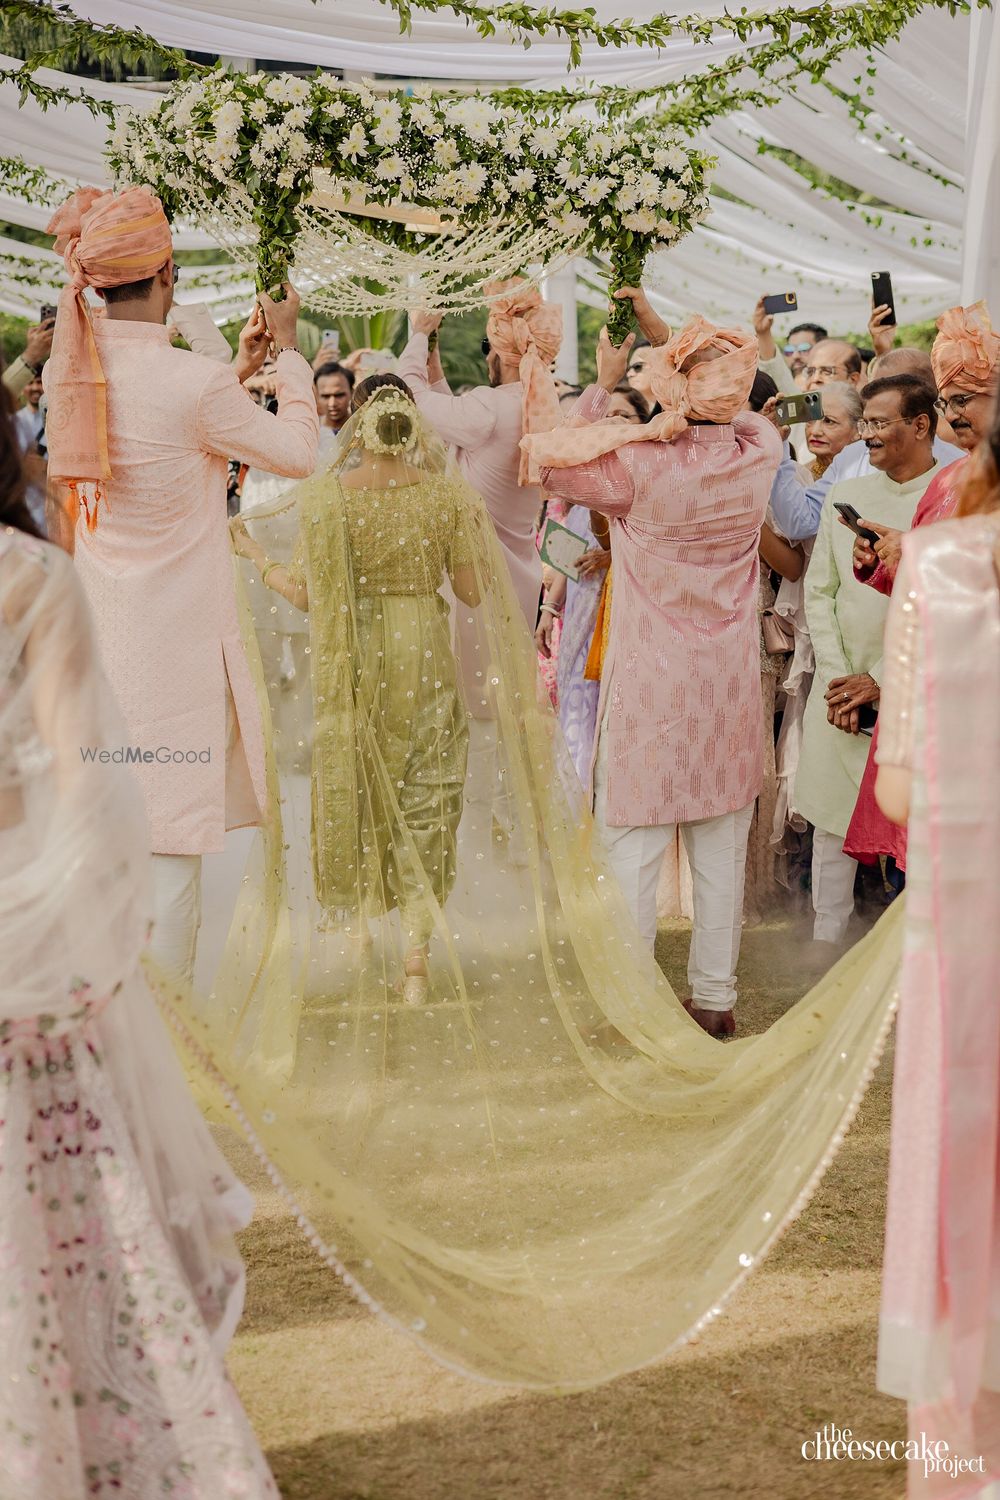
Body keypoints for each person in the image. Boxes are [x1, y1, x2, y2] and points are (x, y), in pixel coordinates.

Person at [0, 387, 277, 1497]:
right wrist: (94, 930)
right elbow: (85, 786)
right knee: (55, 1211)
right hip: (18, 942)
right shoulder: (30, 580)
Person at [41, 185, 319, 985]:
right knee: (169, 858)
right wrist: (290, 354)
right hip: (176, 667)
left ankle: (114, 1044)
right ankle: (169, 1061)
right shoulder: (194, 387)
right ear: (167, 273)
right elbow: (299, 451)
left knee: (109, 853)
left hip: (97, 655)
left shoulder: (75, 377)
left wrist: (232, 372)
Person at [526, 289, 782, 1038]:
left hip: (650, 686)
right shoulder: (760, 451)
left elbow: (547, 463)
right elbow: (734, 405)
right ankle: (714, 1000)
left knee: (631, 847)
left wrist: (605, 381)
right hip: (726, 685)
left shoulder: (634, 468)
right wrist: (675, 355)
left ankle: (638, 1007)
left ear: (672, 387)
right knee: (719, 851)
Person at [231, 375, 482, 1002]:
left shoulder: (325, 498)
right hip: (423, 647)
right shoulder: (447, 499)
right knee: (427, 786)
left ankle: (366, 928)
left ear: (356, 422)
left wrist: (255, 557)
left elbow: (309, 597)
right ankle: (417, 959)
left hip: (359, 654)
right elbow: (475, 593)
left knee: (367, 782)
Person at [874, 405, 1000, 1495]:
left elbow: (901, 782)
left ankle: (961, 1445)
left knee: (962, 1137)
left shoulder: (935, 561)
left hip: (965, 914)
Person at [843, 300, 1000, 876]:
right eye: (947, 401)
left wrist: (920, 551)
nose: (951, 414)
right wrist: (887, 557)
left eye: (965, 399)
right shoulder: (954, 476)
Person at [794, 373, 939, 950]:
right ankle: (824, 950)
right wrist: (838, 681)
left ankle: (910, 961)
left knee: (911, 830)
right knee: (832, 825)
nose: (868, 436)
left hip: (910, 692)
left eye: (879, 424)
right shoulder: (843, 494)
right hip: (839, 690)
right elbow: (820, 592)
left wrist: (879, 683)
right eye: (867, 424)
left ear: (921, 425)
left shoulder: (947, 497)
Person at [398, 278, 562, 628]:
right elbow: (464, 430)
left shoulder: (488, 407)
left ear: (499, 351)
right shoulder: (542, 410)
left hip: (476, 580)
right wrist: (435, 367)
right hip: (520, 578)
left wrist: (418, 332)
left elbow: (405, 394)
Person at [536, 385, 647, 782]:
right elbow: (571, 551)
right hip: (580, 605)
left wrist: (612, 555)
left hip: (622, 610)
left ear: (643, 423)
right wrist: (550, 608)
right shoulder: (586, 478)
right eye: (607, 415)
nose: (613, 422)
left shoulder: (646, 475)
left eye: (624, 415)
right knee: (575, 706)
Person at [769, 345, 965, 542]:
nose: (872, 397)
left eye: (885, 388)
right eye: (872, 386)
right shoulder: (851, 458)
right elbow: (801, 522)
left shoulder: (961, 471)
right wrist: (779, 446)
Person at [752, 299, 828, 388]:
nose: (795, 356)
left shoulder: (836, 387)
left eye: (804, 349)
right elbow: (773, 368)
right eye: (789, 351)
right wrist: (763, 333)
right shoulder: (784, 390)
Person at [314, 358, 355, 434]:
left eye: (339, 395)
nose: (332, 403)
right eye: (325, 396)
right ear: (317, 396)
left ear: (352, 392)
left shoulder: (363, 428)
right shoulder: (310, 430)